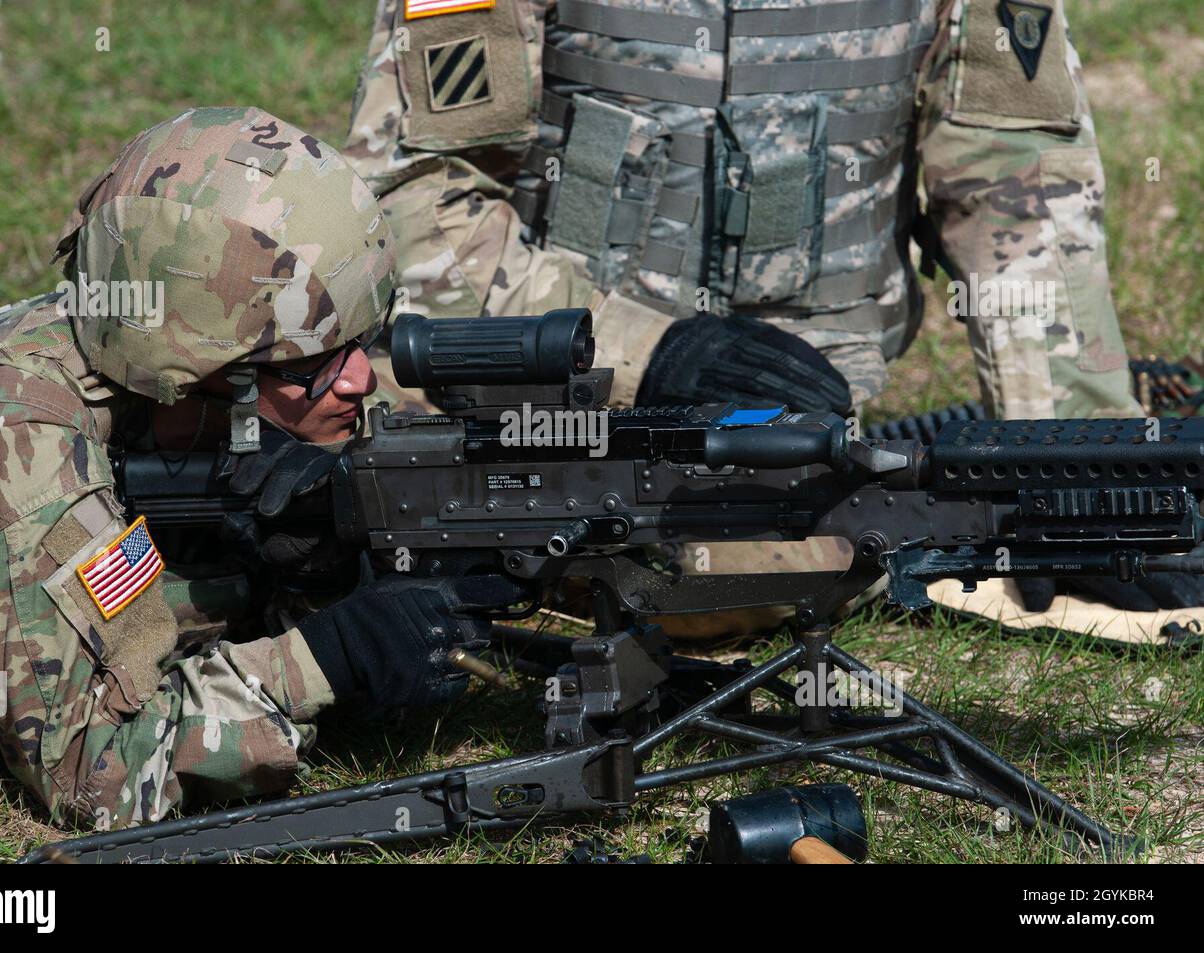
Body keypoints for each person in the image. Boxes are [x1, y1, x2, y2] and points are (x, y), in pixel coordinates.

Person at [341, 0, 1204, 622]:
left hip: (820, 408)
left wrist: (1077, 458)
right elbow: (415, 210)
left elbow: (1017, 178)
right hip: (566, 404)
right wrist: (647, 354)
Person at [0, 106, 523, 831]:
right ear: (202, 359)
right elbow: (98, 775)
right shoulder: (18, 450)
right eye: (315, 362)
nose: (359, 377)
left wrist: (309, 561)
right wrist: (328, 657)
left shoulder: (138, 338)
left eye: (363, 339)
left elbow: (134, 576)